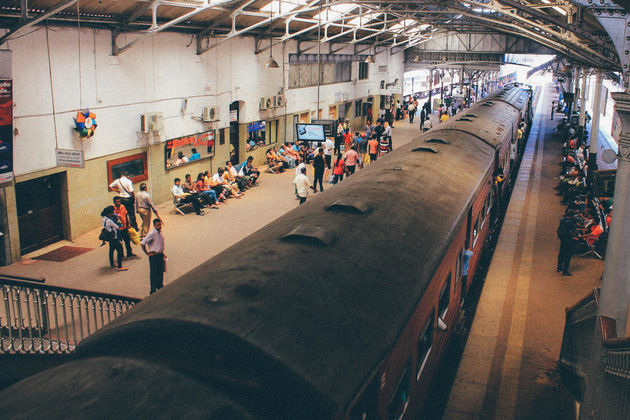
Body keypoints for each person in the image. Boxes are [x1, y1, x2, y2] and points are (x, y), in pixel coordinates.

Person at [141, 218, 166, 294]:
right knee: (154, 272)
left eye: (160, 225)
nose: (160, 226)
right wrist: (147, 253)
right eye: (158, 225)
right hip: (154, 256)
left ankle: (160, 285)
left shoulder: (159, 232)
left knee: (160, 271)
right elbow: (143, 243)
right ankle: (153, 289)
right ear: (154, 225)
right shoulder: (152, 233)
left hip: (160, 254)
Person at [101, 206, 127, 271]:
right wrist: (118, 220)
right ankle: (120, 266)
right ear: (108, 213)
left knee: (111, 250)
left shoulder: (103, 219)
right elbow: (118, 226)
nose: (112, 214)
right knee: (120, 251)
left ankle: (112, 264)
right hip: (115, 237)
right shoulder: (109, 221)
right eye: (111, 213)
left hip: (110, 237)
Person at [557, 209, 576, 276]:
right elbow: (573, 231)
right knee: (567, 255)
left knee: (561, 253)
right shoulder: (570, 222)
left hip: (562, 239)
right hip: (568, 240)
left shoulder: (562, 220)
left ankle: (559, 267)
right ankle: (565, 271)